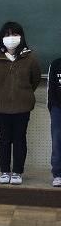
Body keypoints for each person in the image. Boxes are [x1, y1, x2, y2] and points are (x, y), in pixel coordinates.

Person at [0, 22, 41, 185]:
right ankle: (4, 171)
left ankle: (17, 172)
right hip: (0, 106)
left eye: (15, 35)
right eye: (7, 35)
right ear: (1, 37)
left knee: (19, 139)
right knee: (4, 138)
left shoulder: (30, 58)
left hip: (22, 106)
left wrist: (24, 94)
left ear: (21, 37)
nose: (11, 38)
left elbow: (35, 80)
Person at [49, 53, 61, 187]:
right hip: (57, 108)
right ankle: (58, 174)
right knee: (57, 141)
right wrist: (51, 107)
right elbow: (50, 87)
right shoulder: (56, 64)